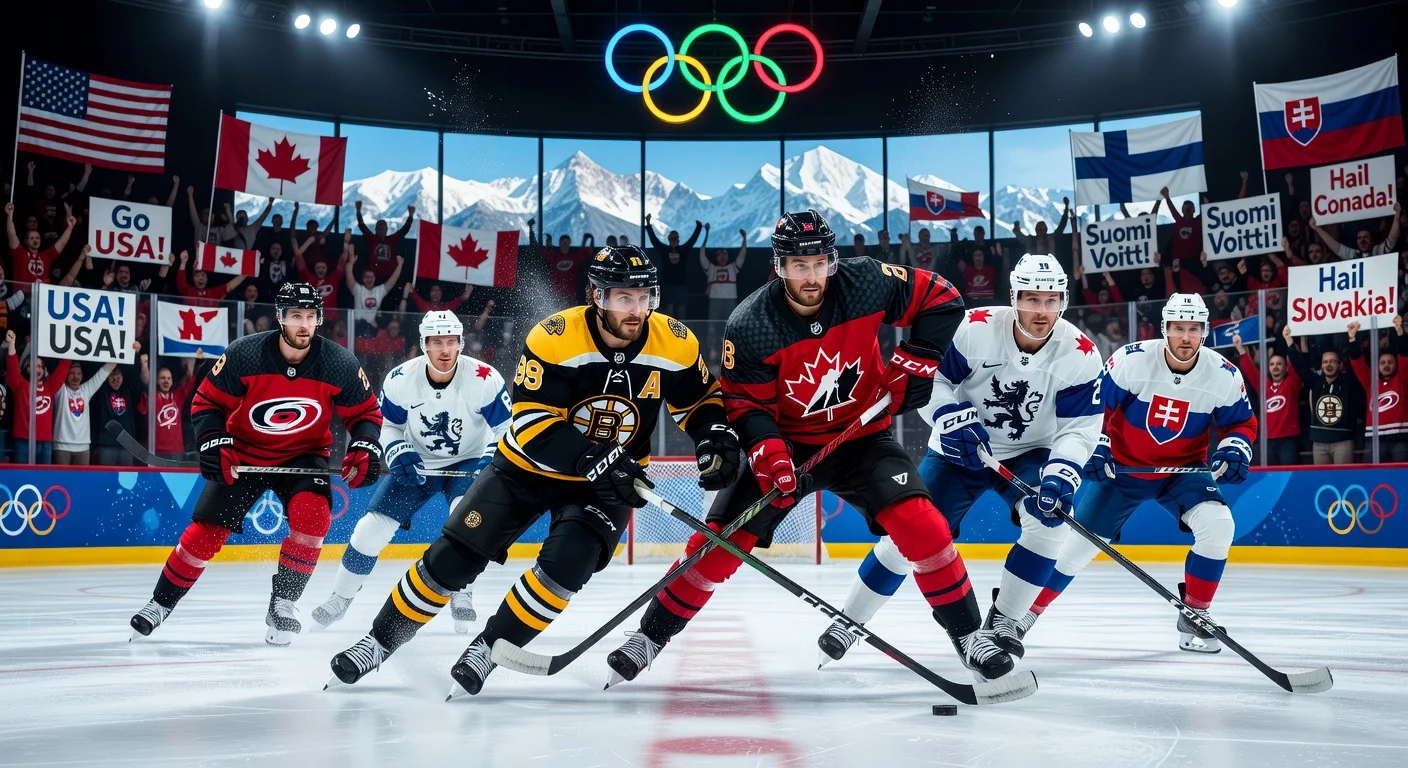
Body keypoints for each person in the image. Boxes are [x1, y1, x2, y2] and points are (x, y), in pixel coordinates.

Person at [606, 209, 1016, 688]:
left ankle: (969, 636)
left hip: (864, 438)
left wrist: (918, 360)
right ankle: (649, 637)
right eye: (799, 265)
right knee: (717, 545)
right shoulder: (751, 323)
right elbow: (744, 405)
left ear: (833, 260)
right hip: (789, 446)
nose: (812, 275)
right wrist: (772, 457)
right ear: (778, 266)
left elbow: (943, 298)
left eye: (820, 263)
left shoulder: (865, 282)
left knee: (923, 524)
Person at [326, 245, 740, 698]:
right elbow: (531, 421)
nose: (636, 309)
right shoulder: (555, 337)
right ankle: (379, 642)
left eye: (644, 297)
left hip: (607, 484)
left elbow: (699, 401)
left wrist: (711, 437)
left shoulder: (675, 341)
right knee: (454, 557)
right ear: (596, 296)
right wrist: (594, 457)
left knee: (565, 570)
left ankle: (488, 647)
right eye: (624, 298)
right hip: (528, 467)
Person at [818, 254, 1103, 665]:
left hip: (1030, 454)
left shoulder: (1079, 353)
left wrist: (1063, 471)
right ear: (1013, 297)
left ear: (1063, 300)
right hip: (957, 450)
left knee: (1050, 522)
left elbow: (1079, 428)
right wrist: (949, 417)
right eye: (1031, 299)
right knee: (908, 535)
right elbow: (930, 380)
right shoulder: (974, 328)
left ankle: (1004, 621)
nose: (1042, 312)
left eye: (1051, 300)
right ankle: (850, 620)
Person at [128, 283, 383, 645]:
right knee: (205, 534)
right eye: (295, 316)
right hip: (244, 452)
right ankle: (159, 604)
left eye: (311, 317)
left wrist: (365, 444)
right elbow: (205, 405)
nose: (304, 325)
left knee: (313, 519)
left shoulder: (339, 363)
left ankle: (283, 603)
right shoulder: (245, 354)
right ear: (280, 317)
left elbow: (366, 413)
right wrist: (215, 441)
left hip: (304, 455)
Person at [1025, 293, 1258, 654]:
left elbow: (1241, 423)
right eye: (1178, 328)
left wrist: (1235, 447)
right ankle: (1022, 617)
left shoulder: (1223, 375)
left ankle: (1195, 613)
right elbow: (1094, 405)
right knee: (1075, 551)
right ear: (1165, 329)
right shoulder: (1131, 360)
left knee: (1220, 525)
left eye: (1193, 329)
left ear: (1205, 331)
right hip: (1121, 471)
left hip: (1183, 472)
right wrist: (1097, 443)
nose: (1185, 336)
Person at [311, 311, 512, 633]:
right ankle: (340, 597)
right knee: (368, 530)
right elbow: (388, 425)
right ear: (424, 345)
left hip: (470, 460)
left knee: (465, 523)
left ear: (461, 343)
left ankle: (462, 593)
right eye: (436, 342)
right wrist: (396, 448)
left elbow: (506, 429)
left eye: (451, 342)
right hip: (417, 462)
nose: (445, 350)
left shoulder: (485, 378)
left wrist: (491, 457)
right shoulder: (400, 379)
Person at [1285, 328, 1360, 464]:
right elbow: (1299, 365)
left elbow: (1356, 360)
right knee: (1322, 482)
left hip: (1342, 442)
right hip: (1319, 442)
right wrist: (1289, 340)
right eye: (1325, 362)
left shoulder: (1348, 381)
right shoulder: (1315, 381)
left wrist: (1352, 339)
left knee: (1341, 482)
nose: (1328, 364)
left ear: (1340, 364)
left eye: (1332, 361)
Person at [1234, 327, 1303, 466]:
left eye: (1279, 364)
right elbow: (1250, 370)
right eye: (1272, 364)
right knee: (1271, 479)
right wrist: (1240, 349)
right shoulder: (1264, 386)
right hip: (1268, 440)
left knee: (1289, 477)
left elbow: (1297, 366)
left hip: (1288, 440)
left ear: (1286, 367)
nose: (1275, 367)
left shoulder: (1292, 384)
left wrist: (1289, 341)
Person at [1344, 317, 1408, 462]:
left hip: (1400, 439)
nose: (1386, 365)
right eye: (1383, 363)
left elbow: (1404, 356)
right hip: (1374, 440)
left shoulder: (1402, 379)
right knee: (1372, 480)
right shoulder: (1371, 382)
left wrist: (1400, 332)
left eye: (1390, 362)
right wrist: (1352, 339)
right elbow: (1357, 363)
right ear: (1377, 366)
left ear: (1396, 365)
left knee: (1400, 480)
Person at [4, 330, 71, 464]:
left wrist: (70, 342)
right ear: (26, 369)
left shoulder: (50, 385)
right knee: (22, 479)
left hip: (45, 442)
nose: (36, 369)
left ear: (43, 369)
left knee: (44, 481)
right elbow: (12, 371)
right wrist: (11, 345)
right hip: (23, 441)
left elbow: (64, 367)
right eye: (32, 366)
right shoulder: (19, 384)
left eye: (39, 366)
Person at [52, 358, 120, 465]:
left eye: (79, 373)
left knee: (81, 482)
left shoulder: (86, 390)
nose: (76, 377)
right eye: (72, 373)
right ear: (66, 374)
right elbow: (55, 372)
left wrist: (125, 351)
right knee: (61, 481)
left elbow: (104, 372)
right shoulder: (59, 390)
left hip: (83, 448)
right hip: (61, 446)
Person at [643, 214, 703, 319]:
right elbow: (654, 241)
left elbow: (692, 240)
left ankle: (683, 332)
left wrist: (698, 228)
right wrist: (648, 225)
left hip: (681, 285)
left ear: (678, 239)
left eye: (675, 238)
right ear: (669, 239)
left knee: (681, 311)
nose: (673, 240)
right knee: (669, 312)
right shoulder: (664, 250)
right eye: (671, 238)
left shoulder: (683, 250)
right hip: (667, 285)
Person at [698, 224, 748, 323]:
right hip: (715, 299)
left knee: (728, 324)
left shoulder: (733, 268)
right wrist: (706, 234)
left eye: (724, 254)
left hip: (730, 298)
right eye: (719, 255)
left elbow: (742, 255)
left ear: (728, 256)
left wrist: (744, 239)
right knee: (712, 324)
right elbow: (702, 255)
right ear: (716, 257)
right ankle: (711, 338)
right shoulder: (711, 269)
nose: (722, 257)